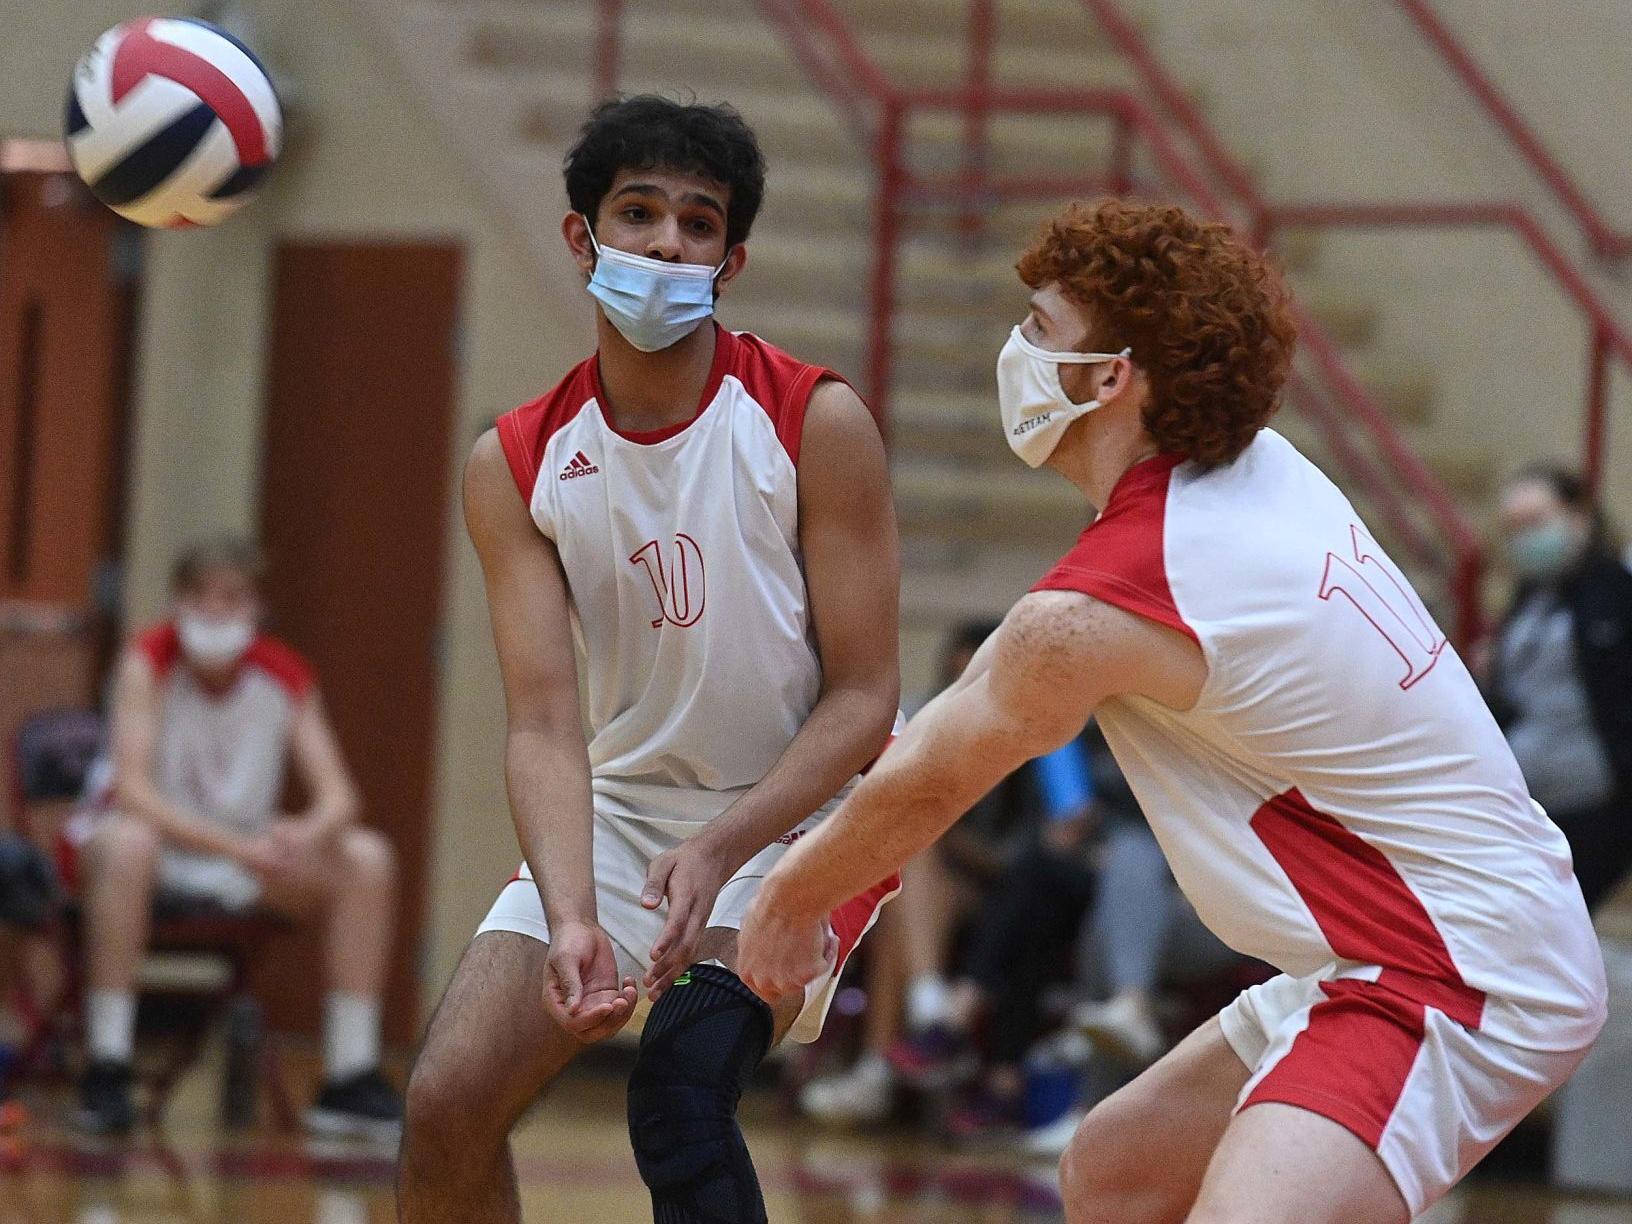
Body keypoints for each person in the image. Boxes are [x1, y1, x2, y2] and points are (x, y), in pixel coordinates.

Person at [740, 199, 1607, 1224]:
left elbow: (940, 771)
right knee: (1118, 1171)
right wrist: (823, 898)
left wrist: (789, 909)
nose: (1013, 349)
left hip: (1453, 968)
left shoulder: (1129, 587)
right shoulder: (1257, 472)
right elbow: (951, 726)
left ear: (1111, 379)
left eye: (1039, 330)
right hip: (1400, 943)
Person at [396, 95, 900, 1224]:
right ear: (583, 238)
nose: (668, 243)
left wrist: (724, 847)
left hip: (803, 811)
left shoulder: (814, 420)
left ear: (731, 260)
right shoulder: (516, 460)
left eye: (698, 223)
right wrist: (573, 911)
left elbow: (870, 697)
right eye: (638, 214)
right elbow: (541, 721)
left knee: (679, 1083)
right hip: (628, 808)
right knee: (446, 1102)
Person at [72, 537, 402, 1138]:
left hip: (244, 859)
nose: (215, 611)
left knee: (366, 857)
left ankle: (349, 1076)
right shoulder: (144, 664)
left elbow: (340, 798)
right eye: (201, 596)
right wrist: (236, 848)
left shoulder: (283, 675)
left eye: (231, 598)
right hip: (154, 848)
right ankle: (108, 1063)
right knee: (125, 844)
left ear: (254, 608)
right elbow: (133, 793)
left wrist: (304, 831)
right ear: (178, 602)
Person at [1486, 465, 1632, 913]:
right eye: (1514, 529)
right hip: (1527, 798)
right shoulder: (1531, 595)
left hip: (1595, 800)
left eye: (1536, 522)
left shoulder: (1616, 592)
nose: (1525, 539)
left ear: (1579, 516)